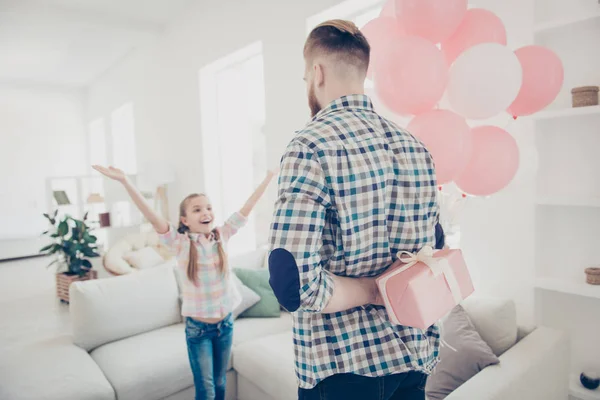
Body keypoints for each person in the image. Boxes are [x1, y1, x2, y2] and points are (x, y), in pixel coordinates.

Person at [268, 20, 442, 400]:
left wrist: (370, 290)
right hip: (414, 356)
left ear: (316, 73)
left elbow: (292, 285)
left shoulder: (310, 145)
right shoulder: (416, 147)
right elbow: (433, 248)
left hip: (342, 369)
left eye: (304, 77)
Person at [93, 164, 276, 400]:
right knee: (206, 389)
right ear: (185, 220)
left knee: (221, 384)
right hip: (198, 330)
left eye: (208, 207)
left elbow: (248, 207)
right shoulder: (179, 244)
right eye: (197, 209)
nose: (205, 212)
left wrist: (269, 177)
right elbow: (150, 214)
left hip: (226, 325)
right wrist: (126, 182)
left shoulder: (223, 236)